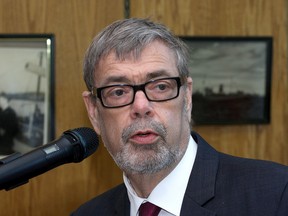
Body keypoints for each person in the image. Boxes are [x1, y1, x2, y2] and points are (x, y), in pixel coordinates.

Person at [71, 18, 288, 216]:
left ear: (187, 99)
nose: (141, 106)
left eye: (160, 86)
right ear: (94, 112)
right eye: (118, 91)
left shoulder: (277, 195)